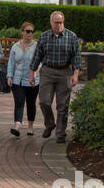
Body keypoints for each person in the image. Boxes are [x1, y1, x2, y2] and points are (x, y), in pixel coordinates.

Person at [30, 10, 82, 144]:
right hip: (47, 71)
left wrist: (75, 75)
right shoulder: (44, 37)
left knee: (62, 105)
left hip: (65, 72)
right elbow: (37, 56)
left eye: (60, 22)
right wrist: (32, 74)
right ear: (51, 22)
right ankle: (50, 123)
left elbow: (76, 58)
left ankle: (60, 133)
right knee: (44, 101)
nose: (58, 25)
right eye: (56, 22)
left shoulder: (72, 37)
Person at [6, 21, 39, 137]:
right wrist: (9, 76)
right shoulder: (15, 46)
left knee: (31, 103)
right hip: (17, 79)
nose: (30, 34)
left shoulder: (37, 46)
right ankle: (17, 126)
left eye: (32, 31)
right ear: (22, 32)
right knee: (19, 102)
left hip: (32, 80)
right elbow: (11, 63)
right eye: (27, 31)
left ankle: (30, 127)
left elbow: (40, 64)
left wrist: (34, 75)